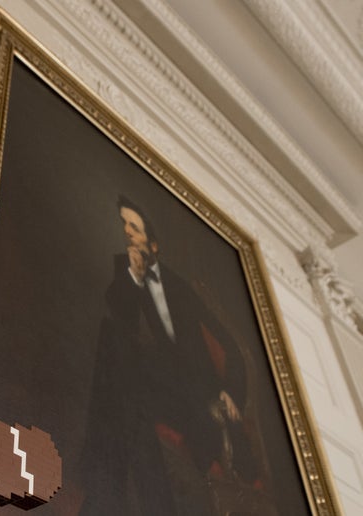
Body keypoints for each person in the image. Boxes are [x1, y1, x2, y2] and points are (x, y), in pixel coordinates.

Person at [81, 197, 254, 515]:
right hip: (161, 384)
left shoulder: (179, 286)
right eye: (124, 226)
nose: (128, 233)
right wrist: (132, 278)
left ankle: (103, 494)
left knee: (121, 393)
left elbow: (230, 346)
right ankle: (135, 501)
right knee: (117, 359)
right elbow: (122, 316)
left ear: (155, 245)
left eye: (135, 227)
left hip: (199, 396)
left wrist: (232, 392)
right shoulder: (127, 271)